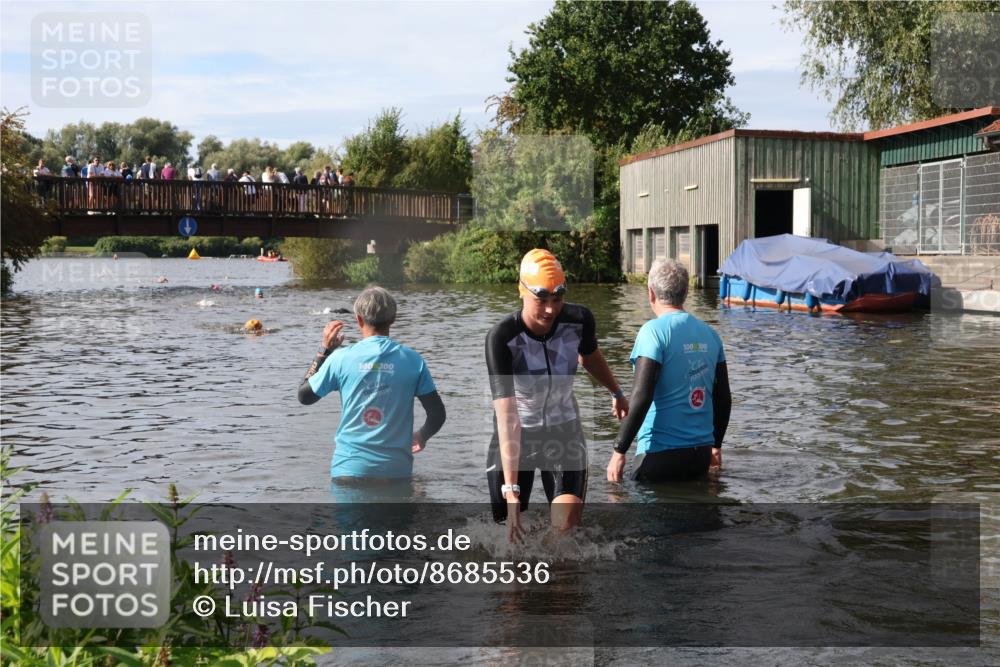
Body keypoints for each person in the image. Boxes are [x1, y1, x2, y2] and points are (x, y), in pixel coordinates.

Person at [486, 249, 629, 542]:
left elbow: (589, 357)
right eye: (541, 300)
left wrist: (616, 391)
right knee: (509, 538)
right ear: (522, 292)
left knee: (566, 533)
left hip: (563, 432)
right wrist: (511, 491)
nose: (551, 310)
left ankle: (561, 582)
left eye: (557, 299)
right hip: (517, 436)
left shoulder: (579, 320)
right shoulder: (502, 337)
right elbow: (507, 416)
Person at [298, 287, 446, 479]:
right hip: (395, 472)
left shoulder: (340, 359)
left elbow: (304, 396)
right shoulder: (413, 360)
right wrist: (422, 435)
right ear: (393, 319)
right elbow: (437, 414)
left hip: (349, 469)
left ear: (358, 319)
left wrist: (323, 352)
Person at [606, 259, 731, 484]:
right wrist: (716, 446)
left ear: (651, 293)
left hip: (658, 455)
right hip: (700, 455)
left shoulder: (652, 333)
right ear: (685, 293)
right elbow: (723, 399)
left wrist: (619, 451)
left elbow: (642, 397)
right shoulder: (711, 335)